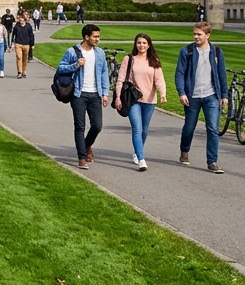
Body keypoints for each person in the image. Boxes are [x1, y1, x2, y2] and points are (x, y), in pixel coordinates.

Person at [176, 22, 230, 173]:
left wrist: (224, 95)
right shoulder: (187, 51)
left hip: (211, 96)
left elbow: (222, 75)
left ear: (208, 35)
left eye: (199, 34)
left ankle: (212, 161)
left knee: (212, 129)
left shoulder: (217, 52)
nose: (196, 37)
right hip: (192, 96)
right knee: (189, 128)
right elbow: (180, 73)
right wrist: (182, 92)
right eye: (194, 34)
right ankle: (184, 150)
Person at [57, 24, 109, 169]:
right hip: (78, 94)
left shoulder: (99, 53)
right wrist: (75, 65)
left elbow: (104, 73)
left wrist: (105, 93)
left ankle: (86, 145)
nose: (98, 39)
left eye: (98, 36)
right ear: (87, 37)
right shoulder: (72, 52)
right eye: (95, 36)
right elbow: (60, 68)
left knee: (97, 126)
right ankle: (81, 157)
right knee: (80, 126)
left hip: (95, 94)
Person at [115, 32, 166, 171]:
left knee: (144, 130)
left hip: (149, 100)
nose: (141, 45)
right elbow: (120, 80)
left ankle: (137, 152)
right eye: (139, 43)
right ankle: (142, 159)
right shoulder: (129, 59)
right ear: (135, 44)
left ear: (149, 45)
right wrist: (118, 97)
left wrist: (163, 93)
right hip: (133, 99)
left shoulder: (154, 60)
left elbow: (159, 79)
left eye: (144, 43)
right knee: (136, 128)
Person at [11, 14, 35, 79]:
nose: (20, 21)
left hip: (26, 44)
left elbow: (31, 35)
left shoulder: (28, 26)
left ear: (24, 20)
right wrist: (12, 43)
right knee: (19, 57)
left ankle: (24, 71)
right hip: (18, 44)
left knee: (25, 59)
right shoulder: (16, 26)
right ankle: (19, 72)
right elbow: (13, 35)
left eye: (21, 20)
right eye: (19, 20)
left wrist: (32, 44)